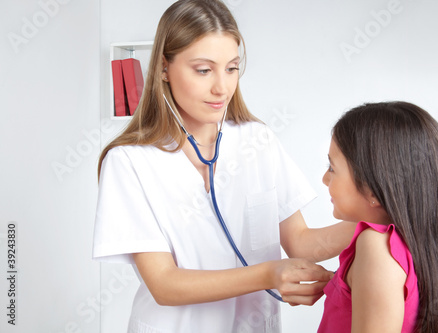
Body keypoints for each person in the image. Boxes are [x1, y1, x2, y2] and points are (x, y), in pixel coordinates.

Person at [92, 1, 355, 332]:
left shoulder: (257, 140)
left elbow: (301, 242)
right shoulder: (129, 161)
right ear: (163, 67)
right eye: (204, 70)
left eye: (231, 68)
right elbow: (164, 284)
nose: (222, 87)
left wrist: (386, 222)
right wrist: (269, 274)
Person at [317, 101, 438, 333]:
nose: (324, 178)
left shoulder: (376, 245)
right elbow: (302, 244)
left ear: (374, 190)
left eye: (332, 168)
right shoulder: (419, 243)